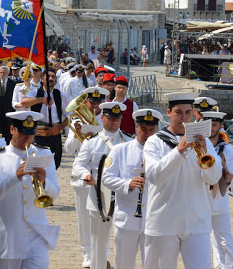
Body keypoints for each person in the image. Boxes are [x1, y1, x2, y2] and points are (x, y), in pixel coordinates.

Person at [143, 92, 222, 269]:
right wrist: (179, 150)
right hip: (163, 221)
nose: (184, 117)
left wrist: (205, 152)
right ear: (168, 112)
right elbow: (154, 175)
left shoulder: (204, 142)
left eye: (188, 112)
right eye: (178, 112)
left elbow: (214, 178)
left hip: (196, 221)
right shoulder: (155, 142)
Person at [0, 110, 61, 268]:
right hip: (7, 238)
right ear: (12, 130)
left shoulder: (43, 154)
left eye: (31, 134)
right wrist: (14, 177)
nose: (28, 138)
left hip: (36, 236)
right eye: (23, 133)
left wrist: (44, 183)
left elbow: (55, 193)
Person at [73, 101, 133, 269]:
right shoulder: (92, 141)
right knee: (98, 243)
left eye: (117, 118)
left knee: (124, 241)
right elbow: (78, 164)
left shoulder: (128, 141)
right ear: (102, 117)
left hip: (123, 197)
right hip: (98, 196)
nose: (114, 122)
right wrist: (86, 175)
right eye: (110, 118)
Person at [102, 108, 162, 269]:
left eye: (151, 130)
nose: (148, 134)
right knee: (123, 263)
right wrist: (127, 184)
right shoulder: (120, 150)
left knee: (153, 264)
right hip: (127, 218)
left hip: (153, 219)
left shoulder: (162, 153)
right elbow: (106, 177)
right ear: (136, 127)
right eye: (144, 129)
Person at [65, 86, 107, 268]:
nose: (94, 106)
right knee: (83, 215)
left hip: (101, 172)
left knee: (104, 214)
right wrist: (78, 134)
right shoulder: (77, 120)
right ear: (85, 101)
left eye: (98, 102)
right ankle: (87, 253)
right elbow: (68, 149)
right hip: (82, 171)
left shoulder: (105, 120)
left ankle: (102, 253)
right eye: (92, 102)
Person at [203, 111, 233, 269]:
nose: (211, 128)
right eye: (209, 124)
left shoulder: (228, 151)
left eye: (215, 125)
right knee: (201, 240)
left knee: (225, 240)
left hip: (220, 202)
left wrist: (230, 179)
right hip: (200, 200)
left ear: (220, 126)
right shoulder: (197, 147)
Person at [24, 68, 69, 169]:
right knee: (37, 165)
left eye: (53, 77)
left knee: (54, 164)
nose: (51, 78)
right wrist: (41, 100)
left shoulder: (61, 96)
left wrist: (59, 128)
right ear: (42, 79)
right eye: (48, 76)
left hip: (54, 133)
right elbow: (24, 102)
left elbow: (69, 116)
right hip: (38, 135)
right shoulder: (35, 93)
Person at [0, 66, 16, 142]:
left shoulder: (13, 84)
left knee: (7, 134)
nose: (2, 74)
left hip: (8, 112)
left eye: (4, 73)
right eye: (1, 72)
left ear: (8, 73)